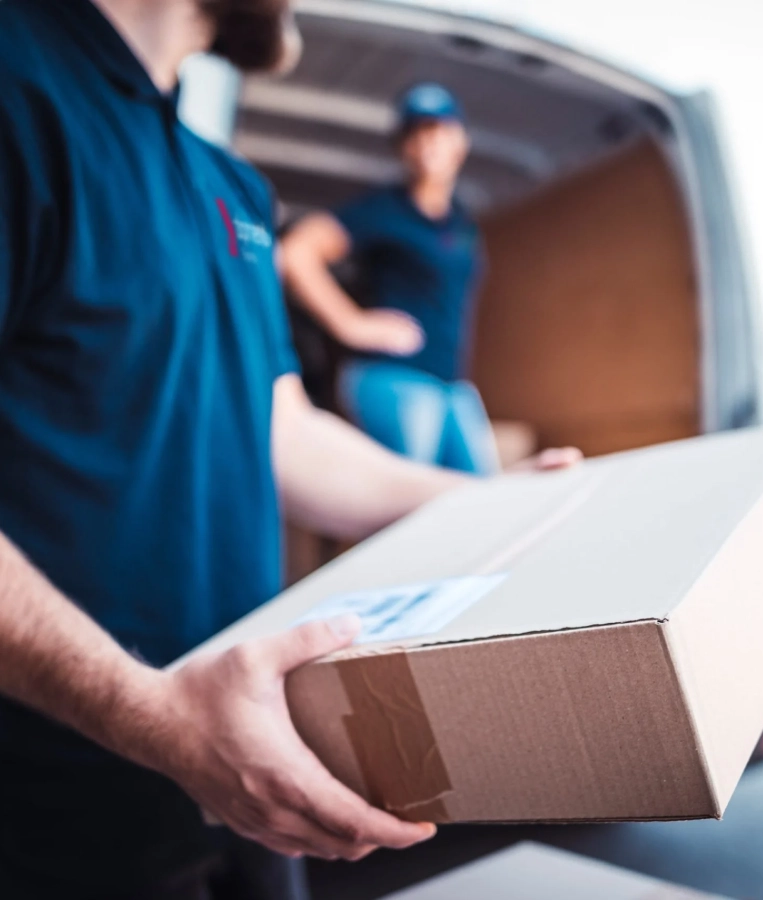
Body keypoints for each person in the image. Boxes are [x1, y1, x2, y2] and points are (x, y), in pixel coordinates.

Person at [0, 2, 581, 899]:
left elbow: (284, 434)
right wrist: (152, 717)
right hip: (56, 810)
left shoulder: (231, 187)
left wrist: (479, 497)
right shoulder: (18, 83)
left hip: (252, 775)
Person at [281, 83, 500, 474]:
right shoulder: (384, 210)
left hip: (453, 383)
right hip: (395, 377)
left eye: (438, 130)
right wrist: (351, 324)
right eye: (415, 133)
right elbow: (296, 252)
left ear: (460, 142)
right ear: (403, 147)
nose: (427, 143)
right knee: (410, 494)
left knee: (484, 490)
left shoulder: (462, 224)